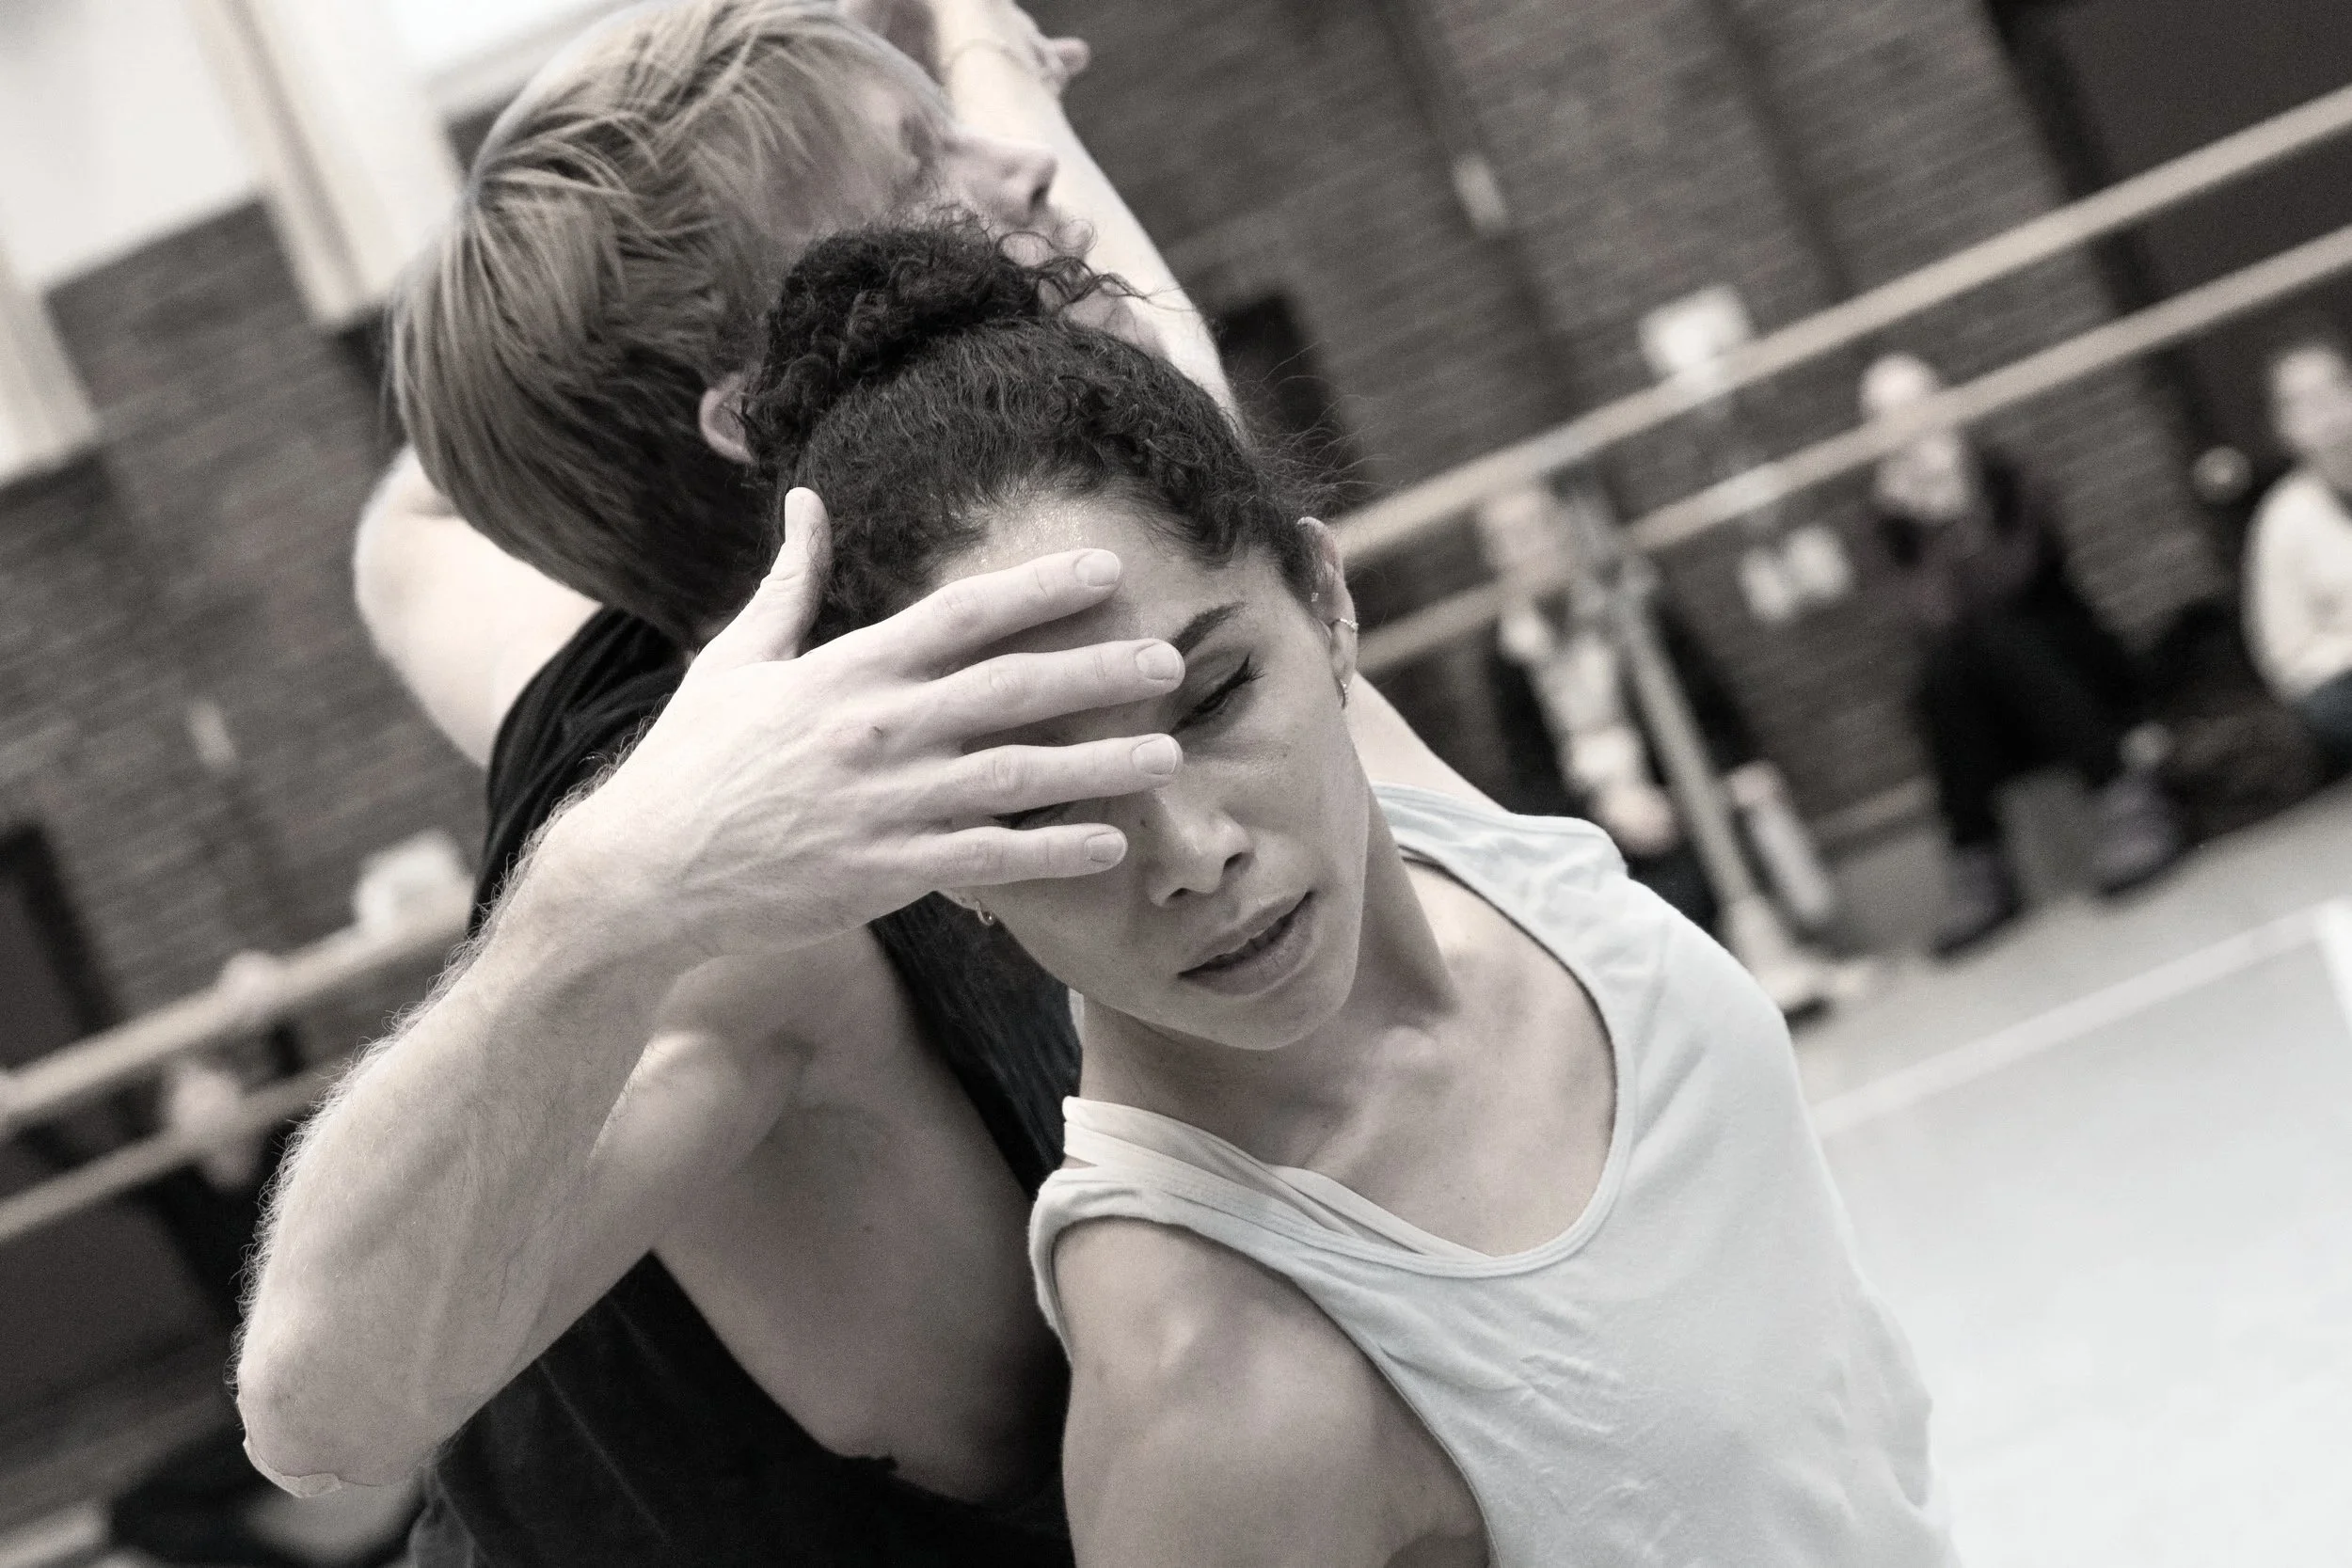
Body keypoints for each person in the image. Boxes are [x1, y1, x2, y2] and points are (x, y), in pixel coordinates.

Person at [239, 3, 1453, 1563]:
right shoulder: (756, 935)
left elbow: (401, 542)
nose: (1018, 176)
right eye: (920, 177)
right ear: (772, 402)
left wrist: (952, 54)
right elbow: (315, 1413)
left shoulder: (737, 566)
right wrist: (616, 892)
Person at [701, 224, 1957, 1565]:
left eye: (1217, 694)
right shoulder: (1218, 1377)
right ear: (951, 852)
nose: (1188, 845)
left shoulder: (1432, 827)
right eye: (1052, 799)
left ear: (1325, 603)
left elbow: (1127, 285)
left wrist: (981, 51)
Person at [1862, 352, 2182, 955]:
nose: (1907, 426)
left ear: (1948, 403)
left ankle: (2128, 801)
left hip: (2075, 672)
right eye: (1887, 417)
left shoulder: (2009, 477)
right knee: (1937, 678)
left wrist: (1956, 513)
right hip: (1994, 711)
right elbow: (1926, 616)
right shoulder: (1890, 524)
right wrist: (1922, 524)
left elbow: (2015, 579)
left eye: (1914, 405)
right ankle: (1978, 864)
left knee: (1998, 637)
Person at [2246, 332, 2352, 766]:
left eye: (2334, 388)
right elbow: (2287, 658)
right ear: (2283, 428)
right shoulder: (2282, 521)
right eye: (2303, 402)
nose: (2327, 413)